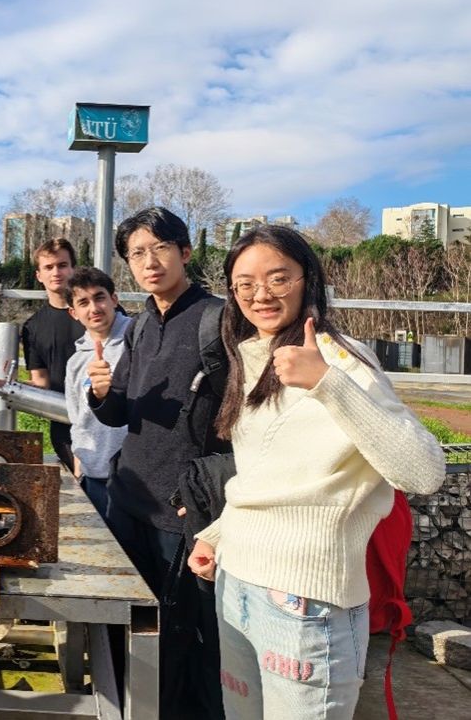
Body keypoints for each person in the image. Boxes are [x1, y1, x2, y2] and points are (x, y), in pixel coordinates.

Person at [187, 225, 445, 720]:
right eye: (245, 284)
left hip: (305, 601)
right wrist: (218, 536)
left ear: (308, 279)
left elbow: (424, 471)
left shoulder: (342, 360)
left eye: (278, 278)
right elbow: (267, 475)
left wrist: (328, 381)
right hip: (236, 583)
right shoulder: (252, 355)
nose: (261, 295)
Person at [87, 206, 227, 718]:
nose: (149, 262)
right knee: (128, 618)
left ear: (185, 252)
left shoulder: (218, 320)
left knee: (179, 633)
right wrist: (100, 392)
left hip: (182, 509)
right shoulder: (143, 323)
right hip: (129, 499)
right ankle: (127, 704)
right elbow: (120, 412)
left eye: (160, 248)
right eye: (136, 254)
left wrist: (212, 493)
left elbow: (242, 418)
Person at [0, 238, 86, 469]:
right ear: (39, 275)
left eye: (62, 265)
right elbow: (41, 384)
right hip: (66, 429)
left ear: (74, 269)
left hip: (111, 427)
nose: (56, 272)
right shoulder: (33, 327)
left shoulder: (98, 311)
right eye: (49, 267)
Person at [63, 267, 131, 520]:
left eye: (99, 297)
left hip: (132, 478)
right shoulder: (75, 362)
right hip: (92, 476)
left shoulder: (137, 341)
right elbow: (77, 420)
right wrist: (79, 468)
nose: (94, 308)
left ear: (114, 299)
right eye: (83, 302)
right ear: (73, 312)